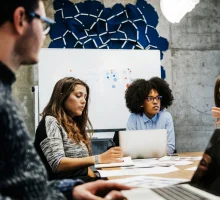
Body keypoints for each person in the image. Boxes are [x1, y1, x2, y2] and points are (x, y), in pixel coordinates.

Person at [0, 0, 130, 199]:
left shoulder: (5, 93)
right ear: (20, 20)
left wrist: (72, 190)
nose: (44, 35)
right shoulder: (14, 105)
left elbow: (25, 185)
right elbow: (50, 169)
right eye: (43, 23)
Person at [34, 77, 124, 181]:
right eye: (78, 96)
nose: (83, 101)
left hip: (79, 182)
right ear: (62, 96)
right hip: (64, 188)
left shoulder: (73, 124)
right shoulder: (51, 121)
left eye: (85, 97)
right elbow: (57, 164)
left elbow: (82, 167)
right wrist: (98, 159)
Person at [125, 77, 175, 155]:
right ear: (141, 102)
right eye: (150, 98)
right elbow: (130, 149)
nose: (155, 102)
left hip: (162, 163)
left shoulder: (166, 117)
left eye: (158, 98)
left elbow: (170, 147)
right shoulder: (134, 118)